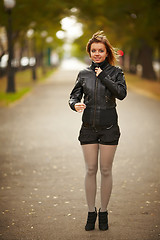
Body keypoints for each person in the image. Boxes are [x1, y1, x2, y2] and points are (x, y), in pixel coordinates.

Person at [69, 31, 127, 231]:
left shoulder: (116, 72)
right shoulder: (83, 74)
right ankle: (91, 211)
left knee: (105, 170)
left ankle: (104, 212)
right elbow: (73, 96)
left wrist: (103, 76)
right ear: (89, 52)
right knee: (91, 169)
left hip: (110, 127)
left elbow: (121, 94)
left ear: (106, 52)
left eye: (100, 50)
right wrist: (74, 104)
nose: (96, 54)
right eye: (93, 50)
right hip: (88, 129)